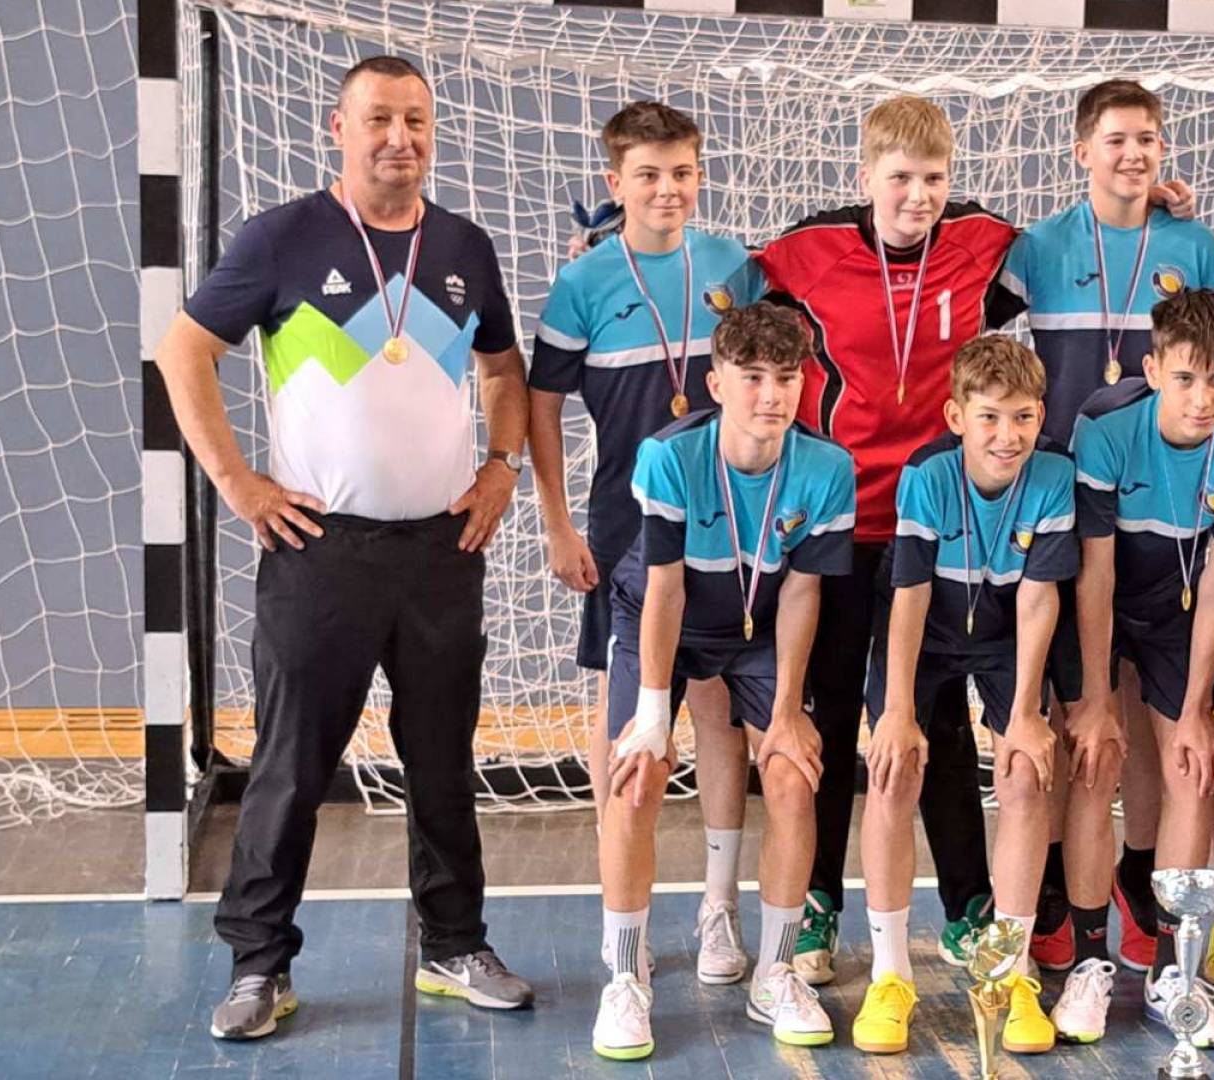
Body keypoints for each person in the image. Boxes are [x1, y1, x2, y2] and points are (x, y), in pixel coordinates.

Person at [753, 94, 1198, 979]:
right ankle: (816, 906)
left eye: (933, 179)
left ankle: (968, 904)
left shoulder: (984, 241)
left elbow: (1078, 244)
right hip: (848, 520)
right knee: (839, 711)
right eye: (899, 179)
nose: (917, 196)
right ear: (866, 177)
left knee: (943, 724)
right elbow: (723, 290)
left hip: (957, 517)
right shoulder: (807, 251)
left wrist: (1145, 199)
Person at [151, 55, 533, 1040]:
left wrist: (502, 466)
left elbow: (503, 368)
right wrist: (238, 482)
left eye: (416, 120)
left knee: (442, 761)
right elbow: (183, 349)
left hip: (443, 552)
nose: (400, 138)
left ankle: (455, 945)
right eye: (379, 119)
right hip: (320, 554)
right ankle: (259, 965)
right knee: (289, 768)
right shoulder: (283, 238)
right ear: (339, 128)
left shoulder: (464, 244)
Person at [995, 77, 1214, 987]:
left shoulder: (1195, 245)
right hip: (1066, 503)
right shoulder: (1036, 248)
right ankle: (1061, 893)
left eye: (1148, 140)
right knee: (1076, 708)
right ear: (1081, 151)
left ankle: (1137, 884)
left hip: (1168, 511)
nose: (1134, 154)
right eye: (1117, 140)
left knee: (1142, 711)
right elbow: (966, 330)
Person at [528, 100, 763, 987]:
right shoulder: (583, 283)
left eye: (683, 173)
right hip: (626, 527)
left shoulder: (734, 267)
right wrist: (556, 522)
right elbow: (541, 406)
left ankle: (718, 907)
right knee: (629, 720)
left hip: (729, 521)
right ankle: (619, 913)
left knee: (719, 712)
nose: (669, 189)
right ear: (615, 181)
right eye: (650, 175)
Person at [591, 303, 856, 1058]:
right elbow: (665, 588)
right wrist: (651, 714)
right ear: (716, 384)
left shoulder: (828, 467)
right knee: (635, 776)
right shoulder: (669, 456)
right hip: (663, 618)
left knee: (793, 776)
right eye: (753, 377)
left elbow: (803, 592)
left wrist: (787, 712)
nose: (771, 394)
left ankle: (775, 974)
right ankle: (625, 978)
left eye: (786, 378)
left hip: (759, 630)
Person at [1069, 289, 1214, 1048]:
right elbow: (1094, 572)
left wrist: (1197, 706)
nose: (1202, 399)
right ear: (1153, 369)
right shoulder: (1103, 427)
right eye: (1186, 378)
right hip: (1104, 595)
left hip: (1182, 608)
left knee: (1192, 767)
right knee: (1095, 758)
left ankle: (1174, 972)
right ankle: (1088, 962)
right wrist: (1096, 695)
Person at [852, 335, 1075, 1056]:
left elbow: (1039, 599)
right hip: (927, 632)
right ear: (956, 417)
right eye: (990, 418)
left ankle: (1010, 972)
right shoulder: (927, 476)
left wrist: (1027, 716)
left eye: (1023, 417)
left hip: (1007, 635)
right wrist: (896, 712)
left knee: (1026, 773)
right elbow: (909, 597)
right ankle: (890, 975)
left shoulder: (1053, 477)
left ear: (1041, 416)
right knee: (893, 771)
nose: (1008, 436)